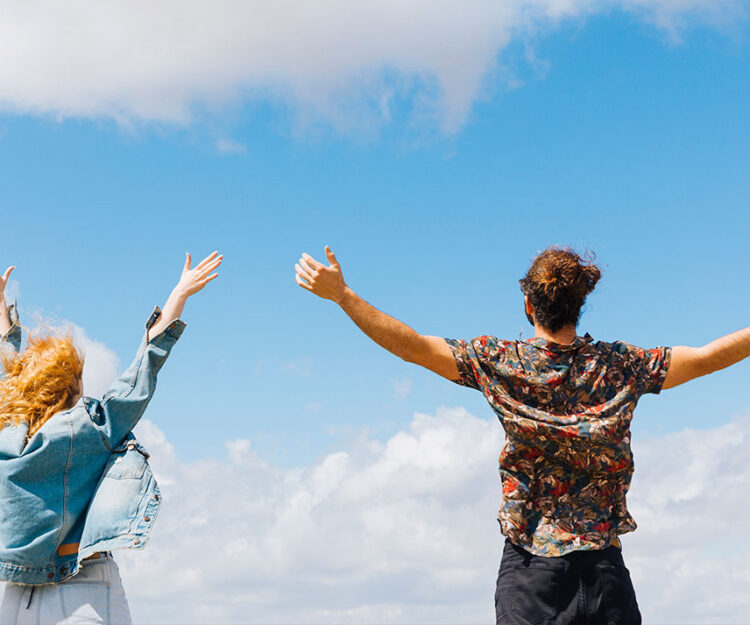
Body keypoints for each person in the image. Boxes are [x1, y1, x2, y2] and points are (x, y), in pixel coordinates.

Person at [294, 245, 750, 624]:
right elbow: (708, 357)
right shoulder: (622, 367)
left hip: (532, 572)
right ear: (580, 304)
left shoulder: (500, 361)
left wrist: (343, 296)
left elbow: (412, 346)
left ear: (529, 305)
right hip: (605, 573)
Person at [0, 251, 222, 625]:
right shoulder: (90, 427)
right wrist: (179, 294)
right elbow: (142, 371)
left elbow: (9, 371)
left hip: (16, 598)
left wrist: (2, 309)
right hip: (83, 585)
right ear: (72, 384)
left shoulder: (9, 431)